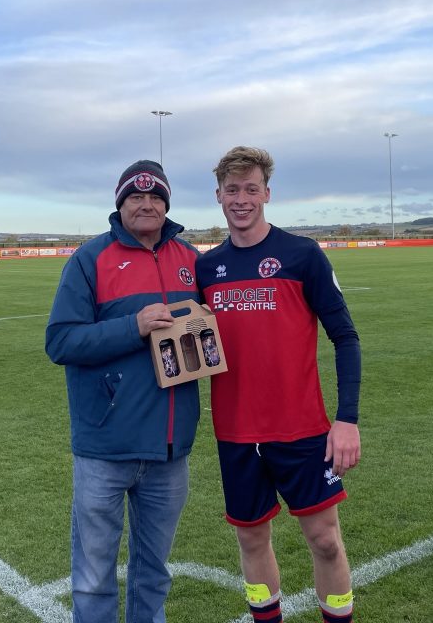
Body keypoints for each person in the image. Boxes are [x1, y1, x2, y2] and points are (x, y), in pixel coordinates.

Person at [195, 146, 362, 623]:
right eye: (232, 190)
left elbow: (345, 337)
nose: (241, 199)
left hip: (302, 428)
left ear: (267, 193)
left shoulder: (300, 254)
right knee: (250, 538)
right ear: (219, 197)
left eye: (251, 189)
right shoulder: (207, 269)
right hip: (235, 432)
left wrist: (346, 419)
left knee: (325, 540)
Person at [45, 159, 202, 623]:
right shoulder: (91, 259)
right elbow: (60, 341)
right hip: (105, 449)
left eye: (156, 197)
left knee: (153, 573)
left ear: (167, 204)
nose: (147, 204)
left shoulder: (192, 259)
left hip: (170, 450)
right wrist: (131, 327)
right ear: (120, 204)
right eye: (137, 196)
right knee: (94, 578)